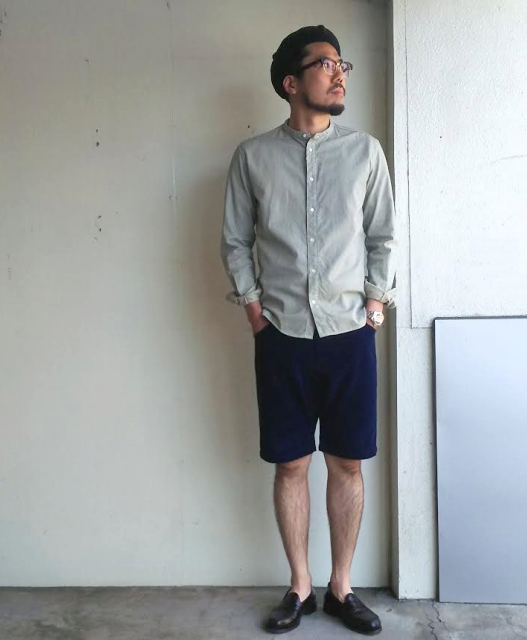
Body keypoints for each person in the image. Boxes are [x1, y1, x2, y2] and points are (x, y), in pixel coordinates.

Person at [220, 25, 396, 636]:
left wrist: (374, 308)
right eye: (325, 63)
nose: (339, 72)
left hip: (350, 334)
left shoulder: (365, 152)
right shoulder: (252, 157)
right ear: (291, 82)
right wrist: (254, 311)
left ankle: (341, 587)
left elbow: (383, 237)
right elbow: (235, 240)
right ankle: (300, 586)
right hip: (282, 336)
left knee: (347, 464)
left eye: (342, 63)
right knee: (291, 465)